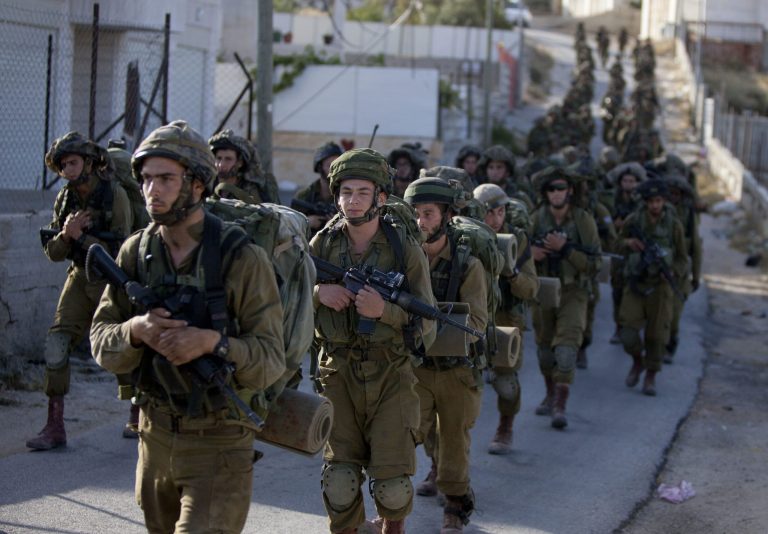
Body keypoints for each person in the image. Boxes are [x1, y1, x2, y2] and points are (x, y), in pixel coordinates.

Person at [90, 120, 285, 532]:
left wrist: (212, 343)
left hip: (220, 438)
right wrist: (136, 330)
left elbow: (270, 360)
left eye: (165, 179)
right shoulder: (136, 252)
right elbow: (100, 339)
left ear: (197, 184)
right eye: (145, 179)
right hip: (154, 435)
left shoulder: (241, 258)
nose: (151, 190)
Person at [311, 148, 436, 534]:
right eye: (345, 191)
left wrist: (385, 311)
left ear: (381, 197)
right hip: (338, 373)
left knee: (393, 487)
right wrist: (318, 292)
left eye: (362, 192)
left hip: (391, 373)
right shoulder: (322, 244)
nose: (352, 200)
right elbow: (282, 302)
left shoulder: (405, 250)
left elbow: (427, 324)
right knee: (340, 482)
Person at [26, 132, 133, 451]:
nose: (68, 170)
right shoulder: (65, 198)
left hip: (111, 279)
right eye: (62, 166)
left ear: (88, 162)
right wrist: (67, 235)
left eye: (72, 163)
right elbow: (55, 253)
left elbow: (124, 248)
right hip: (79, 276)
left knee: (123, 345)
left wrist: (80, 238)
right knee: (57, 342)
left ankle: (138, 413)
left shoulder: (114, 195)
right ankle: (54, 425)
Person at [404, 175, 487, 533]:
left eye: (428, 214)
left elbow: (477, 325)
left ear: (447, 216)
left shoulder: (468, 265)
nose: (421, 222)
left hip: (456, 370)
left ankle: (455, 508)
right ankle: (393, 513)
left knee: (454, 444)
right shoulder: (404, 258)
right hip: (416, 368)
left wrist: (424, 325)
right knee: (403, 436)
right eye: (415, 214)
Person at [530, 167, 601, 429]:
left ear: (569, 191)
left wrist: (566, 249)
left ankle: (560, 404)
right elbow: (519, 252)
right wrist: (533, 253)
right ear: (545, 193)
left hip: (574, 291)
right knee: (545, 350)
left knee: (567, 348)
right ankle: (549, 394)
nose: (557, 193)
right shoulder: (537, 218)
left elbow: (594, 264)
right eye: (552, 189)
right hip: (544, 289)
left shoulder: (583, 220)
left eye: (561, 188)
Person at [474, 184, 539, 454]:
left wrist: (511, 273)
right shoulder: (468, 235)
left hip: (506, 316)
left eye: (500, 212)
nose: (495, 220)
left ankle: (505, 426)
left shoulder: (517, 238)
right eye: (489, 213)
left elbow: (531, 288)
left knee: (506, 382)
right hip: (474, 316)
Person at [618, 178, 687, 395]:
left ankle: (650, 375)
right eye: (651, 201)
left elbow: (683, 258)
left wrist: (674, 272)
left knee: (657, 336)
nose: (655, 205)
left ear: (664, 201)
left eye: (659, 201)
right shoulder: (634, 220)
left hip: (661, 286)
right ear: (646, 202)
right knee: (627, 332)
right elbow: (615, 243)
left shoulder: (673, 225)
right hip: (636, 283)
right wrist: (628, 243)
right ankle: (638, 361)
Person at [662, 174, 701, 363]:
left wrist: (696, 276)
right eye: (670, 193)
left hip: (680, 274)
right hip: (659, 272)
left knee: (675, 315)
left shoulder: (688, 215)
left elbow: (696, 247)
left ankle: (670, 345)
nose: (673, 197)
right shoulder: (658, 212)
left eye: (676, 194)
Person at [608, 162, 647, 343]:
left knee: (635, 292)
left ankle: (633, 327)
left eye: (632, 181)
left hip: (636, 255)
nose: (629, 184)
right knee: (617, 292)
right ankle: (618, 327)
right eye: (626, 180)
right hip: (618, 252)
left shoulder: (642, 204)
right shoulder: (613, 200)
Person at [208, 128, 279, 204]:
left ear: (240, 163)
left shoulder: (251, 191)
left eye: (228, 159)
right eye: (219, 158)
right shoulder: (206, 186)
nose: (221, 164)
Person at [293, 141, 344, 235]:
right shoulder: (304, 197)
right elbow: (288, 227)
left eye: (339, 165)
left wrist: (340, 224)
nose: (335, 170)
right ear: (320, 167)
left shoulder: (347, 196)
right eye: (330, 165)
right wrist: (306, 222)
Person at [478, 145, 534, 210]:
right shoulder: (478, 195)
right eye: (491, 167)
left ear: (507, 171)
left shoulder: (519, 197)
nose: (495, 172)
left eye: (499, 167)